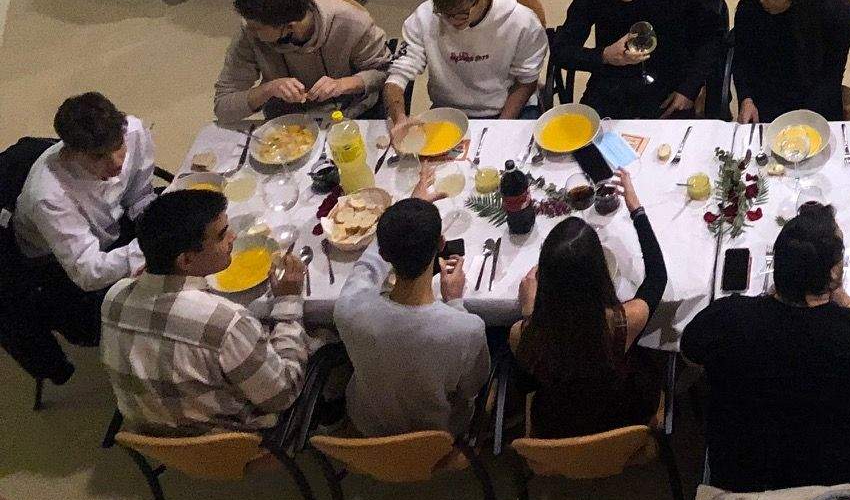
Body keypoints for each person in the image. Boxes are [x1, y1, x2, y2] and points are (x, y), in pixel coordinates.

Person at [681, 203, 850, 499]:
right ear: (833, 273)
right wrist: (843, 298)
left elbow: (689, 354)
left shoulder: (729, 317)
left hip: (744, 490)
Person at [100, 189, 309, 435]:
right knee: (322, 337)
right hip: (230, 441)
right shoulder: (226, 323)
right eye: (222, 236)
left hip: (156, 436)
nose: (233, 237)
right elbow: (283, 395)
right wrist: (288, 302)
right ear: (186, 261)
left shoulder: (114, 296)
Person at [509, 171, 666, 436]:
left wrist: (528, 312)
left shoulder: (521, 334)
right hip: (621, 420)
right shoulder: (622, 322)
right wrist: (636, 209)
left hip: (556, 428)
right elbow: (657, 277)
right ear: (600, 273)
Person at [333, 195, 489, 437]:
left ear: (385, 254)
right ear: (441, 244)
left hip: (369, 426)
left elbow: (366, 268)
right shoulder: (466, 328)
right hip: (435, 438)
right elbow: (472, 387)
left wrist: (403, 217)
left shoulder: (348, 307)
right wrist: (455, 302)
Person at [549, 0, 729, 118]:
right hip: (613, 79)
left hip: (670, 78)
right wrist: (604, 55)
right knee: (589, 144)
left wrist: (689, 88)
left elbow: (713, 37)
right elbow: (561, 50)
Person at [15, 94, 157, 328]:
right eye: (99, 156)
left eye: (118, 147)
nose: (116, 163)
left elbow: (139, 194)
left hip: (113, 229)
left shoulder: (133, 132)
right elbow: (88, 272)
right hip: (58, 263)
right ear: (70, 153)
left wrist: (154, 220)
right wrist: (153, 245)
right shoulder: (49, 196)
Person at [215, 0, 396, 123]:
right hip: (287, 123)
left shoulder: (352, 22)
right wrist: (267, 89)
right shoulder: (249, 32)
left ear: (290, 27)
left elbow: (385, 71)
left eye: (257, 29)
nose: (250, 31)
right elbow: (223, 106)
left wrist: (344, 84)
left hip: (351, 114)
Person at [386, 0, 549, 125]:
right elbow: (398, 74)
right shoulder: (425, 16)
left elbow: (527, 81)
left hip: (507, 108)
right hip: (449, 110)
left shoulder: (523, 23)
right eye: (443, 13)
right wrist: (399, 119)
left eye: (461, 14)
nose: (451, 21)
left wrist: (500, 126)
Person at [730, 0, 850, 123]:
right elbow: (742, 59)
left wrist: (803, 120)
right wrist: (746, 98)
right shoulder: (751, 7)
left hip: (816, 95)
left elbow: (830, 76)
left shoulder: (835, 13)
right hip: (767, 92)